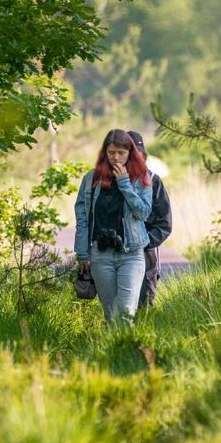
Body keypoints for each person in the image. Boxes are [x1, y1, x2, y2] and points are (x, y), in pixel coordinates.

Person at [73, 129, 152, 325]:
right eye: (111, 152)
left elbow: (143, 212)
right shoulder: (91, 178)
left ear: (130, 153)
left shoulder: (141, 177)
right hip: (101, 255)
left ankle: (126, 345)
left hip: (131, 254)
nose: (116, 157)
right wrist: (82, 254)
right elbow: (82, 218)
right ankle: (113, 346)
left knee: (125, 314)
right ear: (105, 152)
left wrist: (124, 183)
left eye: (121, 153)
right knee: (110, 316)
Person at [128, 130, 172, 309]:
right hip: (117, 253)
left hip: (147, 253)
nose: (134, 159)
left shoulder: (154, 181)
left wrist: (144, 243)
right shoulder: (110, 182)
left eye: (138, 155)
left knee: (145, 305)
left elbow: (165, 223)